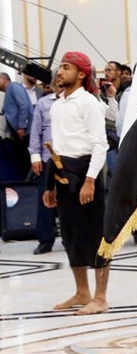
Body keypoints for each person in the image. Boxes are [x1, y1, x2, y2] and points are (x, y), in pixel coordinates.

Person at [42, 52, 110, 315]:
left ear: (81, 74)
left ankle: (101, 297)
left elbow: (100, 144)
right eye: (60, 67)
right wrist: (50, 185)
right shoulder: (57, 104)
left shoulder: (89, 103)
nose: (60, 72)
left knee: (95, 235)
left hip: (85, 174)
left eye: (66, 68)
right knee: (71, 235)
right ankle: (82, 292)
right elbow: (58, 146)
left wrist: (91, 180)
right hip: (62, 173)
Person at [28, 80, 61, 255]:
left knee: (70, 200)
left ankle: (72, 238)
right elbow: (35, 132)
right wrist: (35, 157)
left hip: (70, 157)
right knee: (45, 199)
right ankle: (45, 240)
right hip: (48, 158)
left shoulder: (76, 102)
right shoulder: (43, 103)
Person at [0, 72, 34, 180]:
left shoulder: (13, 86)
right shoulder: (9, 91)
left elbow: (24, 105)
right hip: (15, 135)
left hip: (21, 133)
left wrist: (21, 126)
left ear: (5, 79)